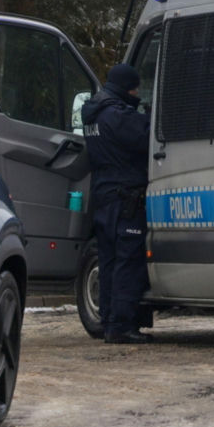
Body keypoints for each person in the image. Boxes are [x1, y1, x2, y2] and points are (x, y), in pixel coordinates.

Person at [81, 63, 152, 344]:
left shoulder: (94, 115)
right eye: (135, 88)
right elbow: (150, 135)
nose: (137, 93)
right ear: (126, 87)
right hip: (126, 199)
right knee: (128, 262)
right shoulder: (118, 116)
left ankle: (109, 322)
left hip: (103, 197)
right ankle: (121, 326)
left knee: (109, 261)